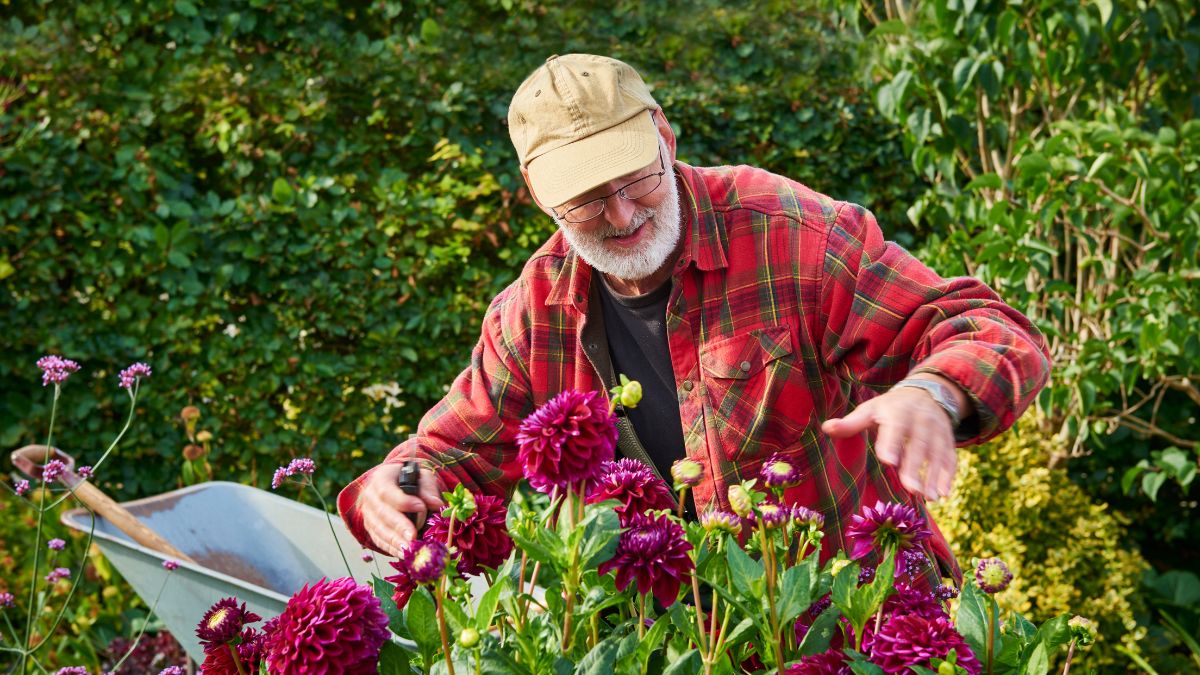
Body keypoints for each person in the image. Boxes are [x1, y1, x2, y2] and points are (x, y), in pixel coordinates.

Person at [338, 54, 1051, 584]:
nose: (620, 215)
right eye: (586, 198)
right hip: (679, 645)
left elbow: (985, 327)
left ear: (665, 136)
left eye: (635, 177)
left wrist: (932, 392)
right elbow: (449, 457)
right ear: (537, 193)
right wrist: (391, 485)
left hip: (855, 624)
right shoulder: (533, 311)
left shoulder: (790, 235)